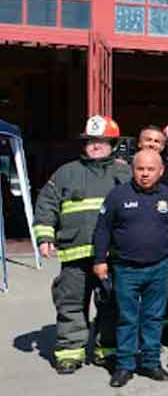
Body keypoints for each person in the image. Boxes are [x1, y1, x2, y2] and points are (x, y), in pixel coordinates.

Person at [33, 115, 131, 373]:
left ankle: (106, 350)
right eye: (90, 141)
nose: (95, 146)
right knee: (71, 303)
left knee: (111, 304)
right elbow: (46, 204)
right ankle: (69, 353)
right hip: (74, 254)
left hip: (111, 256)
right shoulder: (66, 173)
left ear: (112, 144)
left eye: (101, 141)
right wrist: (45, 237)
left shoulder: (124, 172)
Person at [93, 150, 168, 388]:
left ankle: (150, 362)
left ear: (161, 170)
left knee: (153, 317)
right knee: (126, 318)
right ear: (132, 169)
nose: (145, 174)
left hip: (159, 267)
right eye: (140, 169)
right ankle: (124, 365)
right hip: (125, 269)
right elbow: (103, 229)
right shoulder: (117, 195)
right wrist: (99, 260)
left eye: (150, 169)